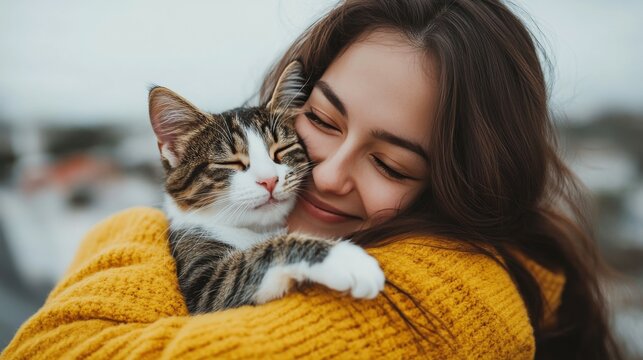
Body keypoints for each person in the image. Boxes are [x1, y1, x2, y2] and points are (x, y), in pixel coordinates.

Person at [2, 0, 621, 359]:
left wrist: (129, 231)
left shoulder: (444, 296)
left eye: (392, 164)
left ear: (461, 186)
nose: (322, 175)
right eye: (321, 120)